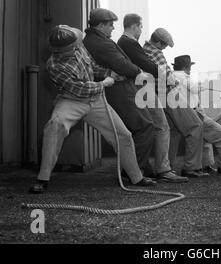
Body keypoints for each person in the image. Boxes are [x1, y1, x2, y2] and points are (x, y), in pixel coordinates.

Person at [29, 25, 155, 194]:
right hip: (71, 101)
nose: (78, 47)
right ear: (63, 49)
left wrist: (109, 73)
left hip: (96, 101)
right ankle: (42, 179)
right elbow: (79, 89)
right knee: (54, 126)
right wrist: (104, 83)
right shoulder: (54, 65)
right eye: (74, 46)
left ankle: (136, 177)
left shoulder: (78, 45)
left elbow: (92, 67)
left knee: (123, 135)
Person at [83, 9, 187, 183]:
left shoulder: (103, 41)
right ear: (100, 25)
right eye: (110, 25)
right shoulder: (116, 42)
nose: (112, 28)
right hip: (126, 89)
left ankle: (140, 168)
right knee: (149, 126)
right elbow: (128, 64)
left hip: (125, 87)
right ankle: (140, 170)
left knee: (140, 127)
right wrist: (141, 72)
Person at [143, 28, 208, 178]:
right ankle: (191, 167)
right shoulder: (156, 52)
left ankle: (166, 167)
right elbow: (166, 76)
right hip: (168, 94)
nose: (165, 47)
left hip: (155, 95)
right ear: (158, 42)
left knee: (173, 131)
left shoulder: (144, 50)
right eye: (164, 44)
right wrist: (175, 80)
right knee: (195, 126)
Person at [171, 55, 221, 174]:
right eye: (189, 66)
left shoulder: (172, 76)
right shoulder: (183, 76)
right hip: (193, 113)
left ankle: (205, 164)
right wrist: (203, 86)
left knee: (202, 138)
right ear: (185, 67)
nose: (190, 69)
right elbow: (194, 88)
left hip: (181, 112)